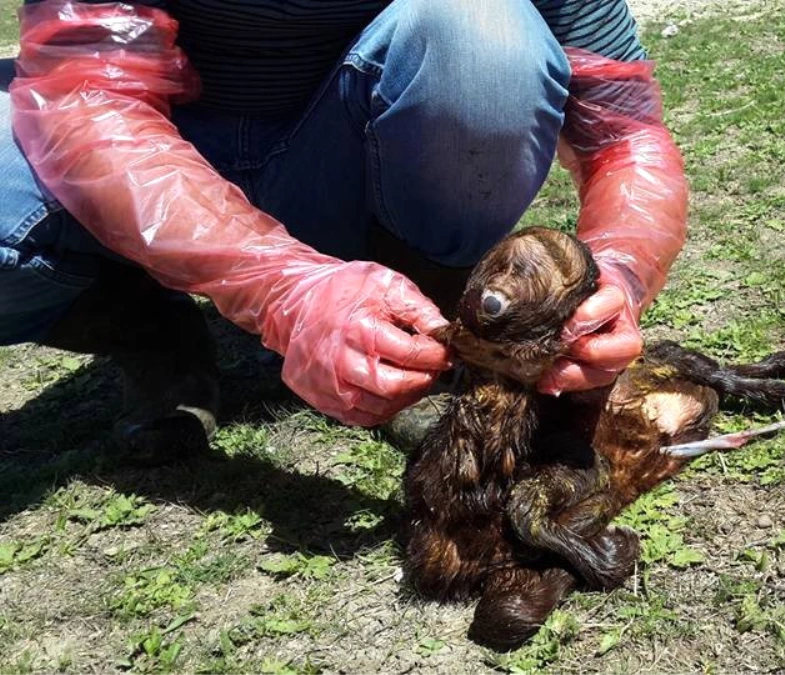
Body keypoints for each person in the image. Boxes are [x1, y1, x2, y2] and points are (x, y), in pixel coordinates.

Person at [1, 0, 689, 463]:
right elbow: (88, 101)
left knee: (484, 38)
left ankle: (408, 335)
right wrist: (282, 291)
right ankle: (145, 324)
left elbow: (624, 133)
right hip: (162, 154)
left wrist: (617, 276)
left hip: (341, 153)